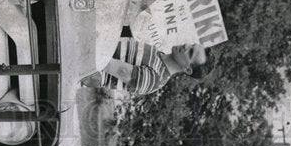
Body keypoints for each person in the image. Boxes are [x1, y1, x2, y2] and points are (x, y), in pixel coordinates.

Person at [79, 38, 207, 96]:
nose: (186, 46)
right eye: (192, 45)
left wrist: (84, 45)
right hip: (86, 49)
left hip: (83, 65)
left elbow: (105, 63)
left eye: (190, 52)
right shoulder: (157, 54)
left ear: (187, 69)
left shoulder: (155, 79)